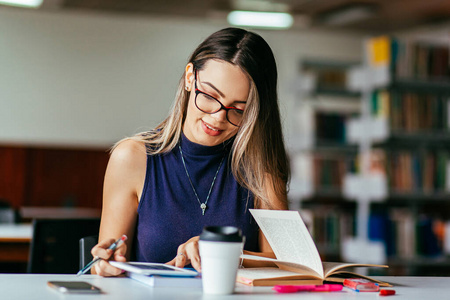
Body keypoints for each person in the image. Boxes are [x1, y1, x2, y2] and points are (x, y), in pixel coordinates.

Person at [91, 27, 290, 276]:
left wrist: (222, 253)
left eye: (239, 110)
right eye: (208, 96)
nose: (218, 118)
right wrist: (106, 264)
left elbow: (288, 262)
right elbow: (105, 264)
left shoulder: (262, 169)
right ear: (189, 78)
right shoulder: (132, 158)